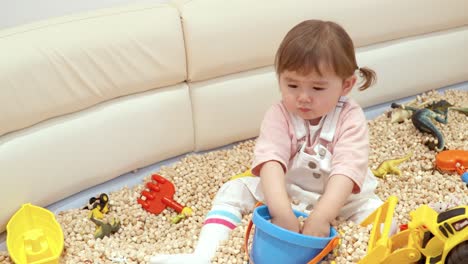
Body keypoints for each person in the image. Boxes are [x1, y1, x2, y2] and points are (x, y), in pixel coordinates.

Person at [150, 19, 383, 264]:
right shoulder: (279, 114)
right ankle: (203, 255)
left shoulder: (350, 117)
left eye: (317, 88)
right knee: (233, 191)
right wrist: (281, 211)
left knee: (380, 217)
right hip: (287, 189)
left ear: (346, 85)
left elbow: (346, 170)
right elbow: (271, 162)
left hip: (341, 197)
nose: (303, 97)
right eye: (292, 84)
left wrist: (322, 216)